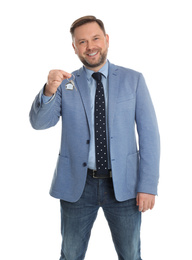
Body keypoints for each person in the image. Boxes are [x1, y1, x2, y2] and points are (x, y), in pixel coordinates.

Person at [29, 15, 160, 260]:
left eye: (95, 38)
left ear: (106, 40)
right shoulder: (66, 84)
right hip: (78, 186)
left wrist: (148, 185)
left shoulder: (134, 80)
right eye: (82, 42)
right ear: (75, 47)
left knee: (131, 255)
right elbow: (39, 123)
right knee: (70, 254)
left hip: (124, 186)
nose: (90, 46)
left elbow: (150, 135)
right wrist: (48, 90)